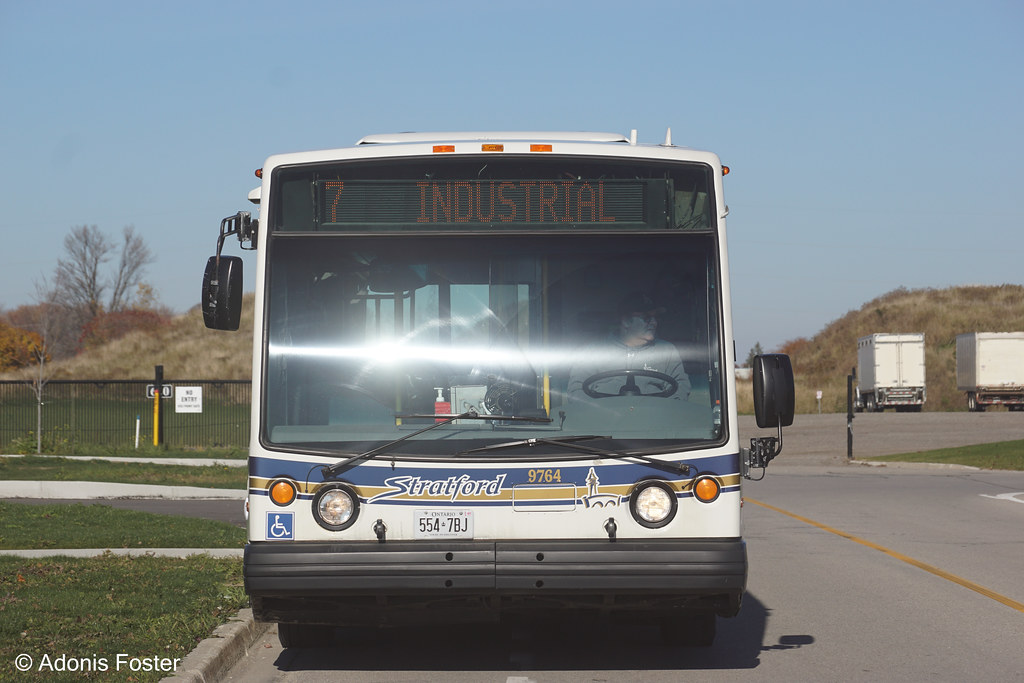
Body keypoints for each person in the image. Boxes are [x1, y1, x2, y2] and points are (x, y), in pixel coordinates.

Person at [567, 292, 691, 401]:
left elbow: (680, 386)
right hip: (604, 422)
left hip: (653, 421)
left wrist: (664, 412)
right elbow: (577, 389)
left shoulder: (667, 351)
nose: (654, 322)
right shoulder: (592, 352)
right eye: (647, 318)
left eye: (655, 317)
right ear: (626, 321)